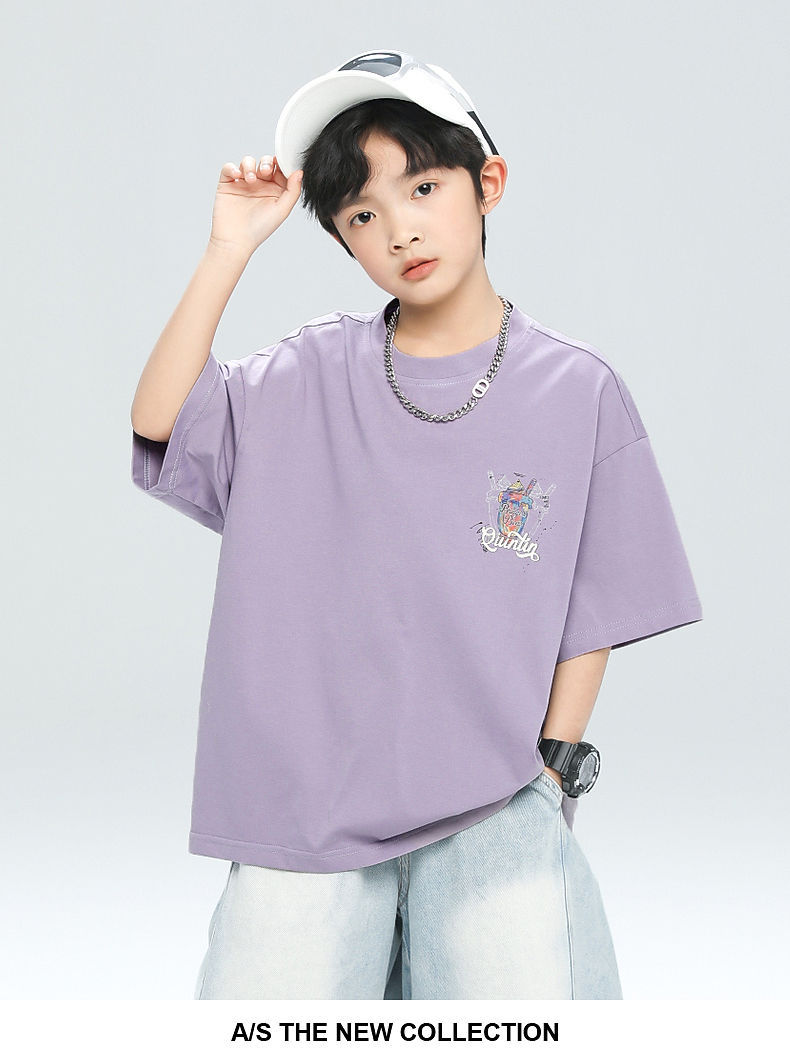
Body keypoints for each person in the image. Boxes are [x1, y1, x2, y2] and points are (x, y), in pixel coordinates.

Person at [130, 50, 703, 1000]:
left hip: (492, 796)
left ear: (488, 184)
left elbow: (595, 604)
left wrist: (549, 775)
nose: (399, 229)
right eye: (361, 215)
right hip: (305, 808)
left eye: (424, 187)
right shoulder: (306, 375)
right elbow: (161, 419)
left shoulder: (577, 391)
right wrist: (229, 247)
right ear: (343, 240)